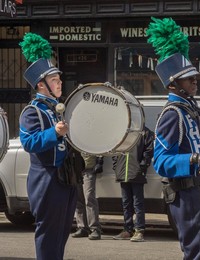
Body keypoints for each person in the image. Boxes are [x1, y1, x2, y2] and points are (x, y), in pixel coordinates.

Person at [146, 17, 200, 260]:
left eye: (194, 77)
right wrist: (194, 159)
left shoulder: (192, 110)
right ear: (173, 84)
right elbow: (161, 161)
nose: (195, 81)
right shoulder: (172, 114)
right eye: (189, 79)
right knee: (198, 254)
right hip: (186, 196)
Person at [19, 33, 77, 260]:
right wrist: (54, 133)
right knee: (49, 235)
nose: (59, 82)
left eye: (59, 79)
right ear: (41, 85)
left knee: (61, 234)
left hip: (66, 178)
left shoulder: (59, 108)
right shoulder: (32, 111)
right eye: (54, 80)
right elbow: (29, 142)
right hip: (47, 180)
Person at [112, 126, 154, 242]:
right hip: (122, 172)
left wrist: (142, 166)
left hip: (136, 172)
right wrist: (116, 166)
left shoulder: (145, 132)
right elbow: (115, 149)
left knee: (138, 203)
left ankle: (139, 230)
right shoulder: (121, 129)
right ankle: (127, 229)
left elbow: (149, 151)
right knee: (126, 203)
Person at [72, 154, 103, 240]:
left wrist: (99, 162)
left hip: (89, 168)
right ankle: (82, 227)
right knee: (78, 199)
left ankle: (95, 229)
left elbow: (99, 149)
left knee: (89, 198)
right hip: (76, 169)